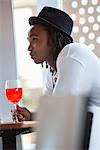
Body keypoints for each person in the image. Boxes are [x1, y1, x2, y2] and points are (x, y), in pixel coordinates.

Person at [13, 6, 100, 122]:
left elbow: (59, 112)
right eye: (29, 41)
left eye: (34, 39)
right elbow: (51, 111)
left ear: (53, 38)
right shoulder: (53, 71)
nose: (29, 47)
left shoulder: (71, 53)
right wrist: (31, 116)